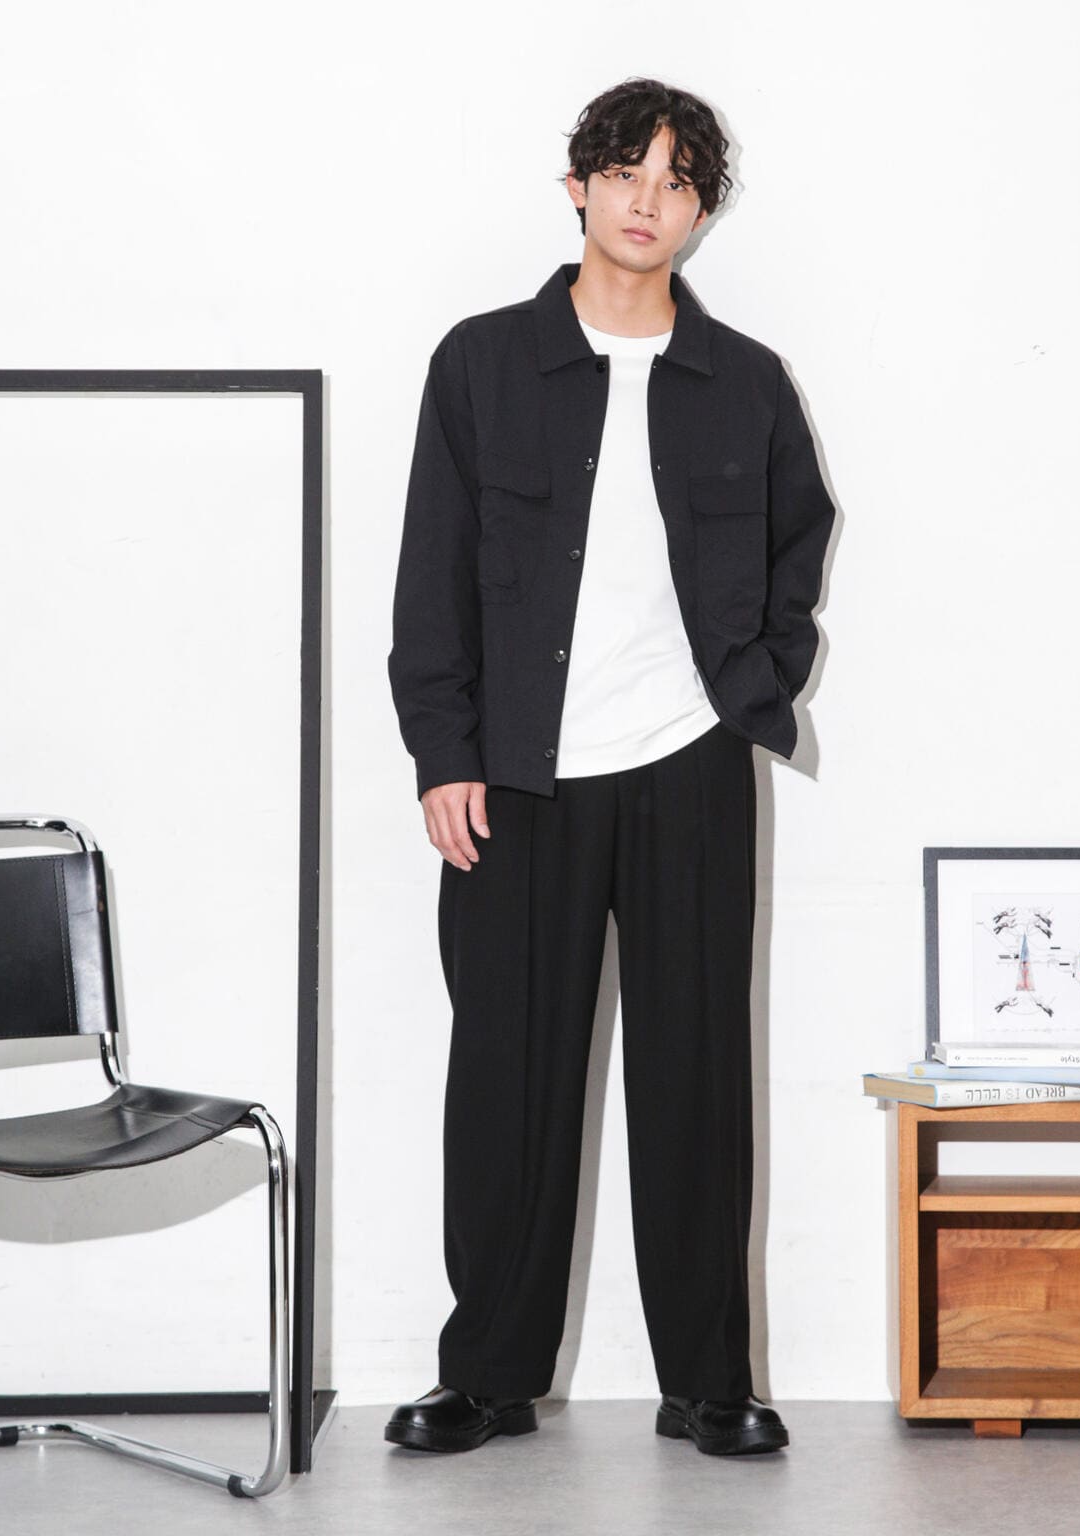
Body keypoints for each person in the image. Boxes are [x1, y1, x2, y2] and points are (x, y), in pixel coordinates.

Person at [385, 76, 835, 1457]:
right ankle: (488, 1375)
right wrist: (444, 752)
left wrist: (747, 688)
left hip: (690, 765)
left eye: (678, 181)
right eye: (627, 172)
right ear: (578, 184)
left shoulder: (746, 382)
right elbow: (432, 575)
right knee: (506, 1084)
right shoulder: (481, 364)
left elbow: (798, 547)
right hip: (518, 779)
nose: (649, 201)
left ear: (701, 211)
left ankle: (711, 1380)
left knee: (697, 1081)